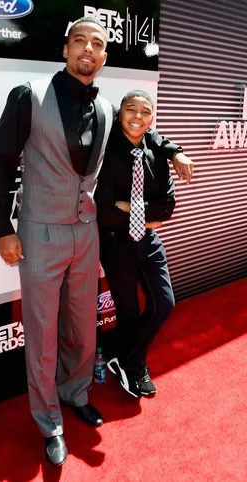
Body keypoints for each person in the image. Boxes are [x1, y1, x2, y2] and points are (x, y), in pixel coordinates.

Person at [0, 17, 193, 466]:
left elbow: (144, 132)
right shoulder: (29, 96)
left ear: (104, 57)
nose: (88, 50)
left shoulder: (105, 109)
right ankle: (49, 421)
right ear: (65, 49)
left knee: (82, 326)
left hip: (86, 233)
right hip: (39, 231)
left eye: (97, 44)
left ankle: (76, 393)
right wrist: (3, 228)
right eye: (80, 41)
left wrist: (173, 149)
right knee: (41, 332)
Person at [95, 89, 181, 399]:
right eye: (131, 110)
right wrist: (146, 211)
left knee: (164, 303)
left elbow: (167, 208)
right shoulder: (106, 152)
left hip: (149, 241)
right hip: (117, 245)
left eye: (145, 112)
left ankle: (128, 359)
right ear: (121, 115)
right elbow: (104, 211)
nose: (138, 117)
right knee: (128, 312)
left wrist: (129, 206)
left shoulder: (157, 153)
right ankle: (135, 367)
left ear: (151, 119)